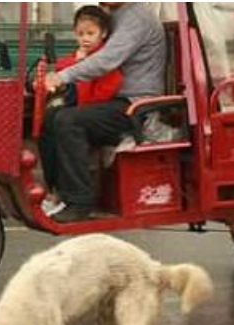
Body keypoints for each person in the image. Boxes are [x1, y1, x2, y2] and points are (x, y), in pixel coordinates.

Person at [41, 2, 165, 223]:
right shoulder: (116, 15)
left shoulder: (136, 17)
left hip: (136, 104)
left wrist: (64, 76)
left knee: (69, 121)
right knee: (51, 114)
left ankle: (80, 202)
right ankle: (55, 191)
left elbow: (106, 60)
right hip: (114, 99)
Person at [40, 5, 123, 213]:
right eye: (80, 34)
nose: (85, 38)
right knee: (48, 120)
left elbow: (99, 91)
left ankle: (78, 198)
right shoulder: (81, 56)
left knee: (65, 121)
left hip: (102, 110)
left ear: (103, 33)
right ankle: (53, 187)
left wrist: (79, 66)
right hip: (85, 105)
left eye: (90, 33)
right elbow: (63, 67)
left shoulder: (104, 59)